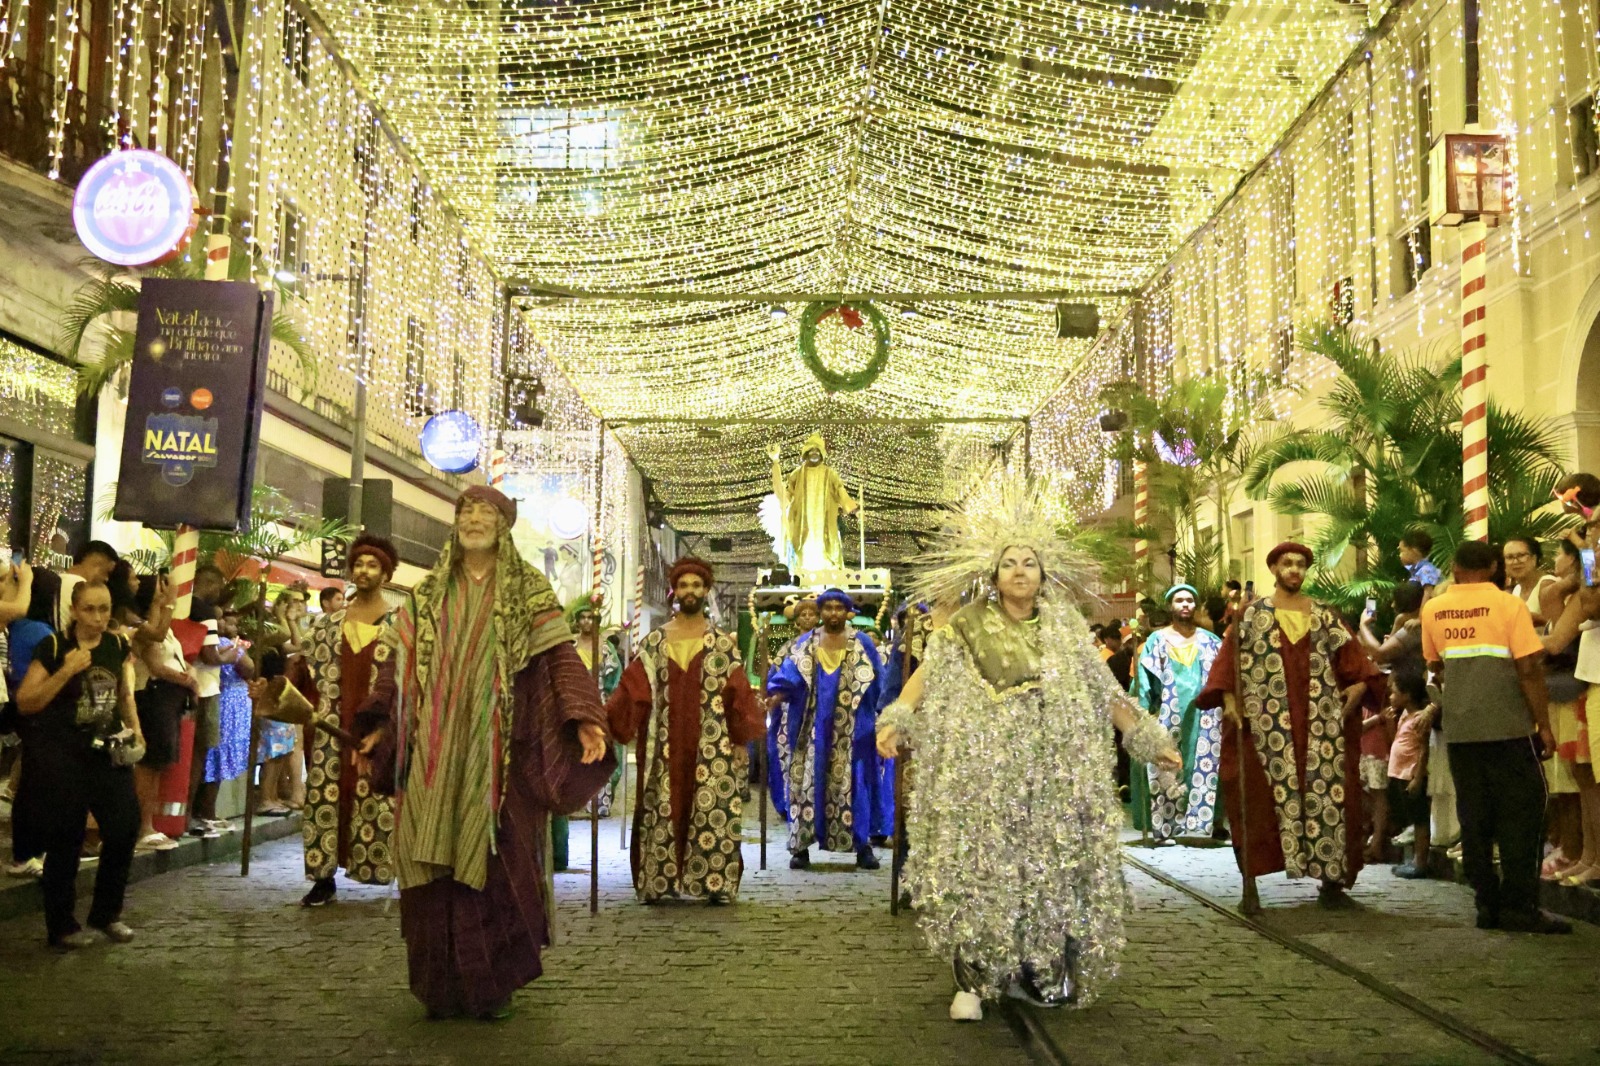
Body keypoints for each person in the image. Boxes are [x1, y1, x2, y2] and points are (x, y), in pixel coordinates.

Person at [875, 479, 1180, 1020]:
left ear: (1043, 574)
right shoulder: (965, 627)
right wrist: (898, 718)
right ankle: (974, 977)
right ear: (993, 574)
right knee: (981, 868)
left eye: (1030, 563)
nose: (1020, 571)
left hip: (1055, 773)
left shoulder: (1065, 631)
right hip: (983, 773)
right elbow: (926, 676)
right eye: (1009, 563)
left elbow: (1104, 693)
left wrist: (1148, 741)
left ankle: (1042, 967)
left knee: (1051, 871)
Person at [342, 486, 615, 1019]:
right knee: (429, 865)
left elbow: (560, 660)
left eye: (485, 511)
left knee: (500, 867)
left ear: (503, 524)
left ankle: (494, 985)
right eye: (466, 510)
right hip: (432, 756)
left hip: (502, 760)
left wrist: (584, 718)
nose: (473, 518)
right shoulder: (426, 595)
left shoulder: (529, 591)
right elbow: (394, 667)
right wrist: (377, 722)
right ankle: (437, 986)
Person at [1197, 542, 1382, 906]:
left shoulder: (1326, 616)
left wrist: (1359, 688)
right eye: (1287, 563)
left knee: (1329, 795)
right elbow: (1227, 666)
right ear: (1274, 569)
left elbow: (1357, 664)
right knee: (1257, 798)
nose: (1295, 569)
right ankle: (1250, 885)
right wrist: (1231, 700)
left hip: (1321, 727)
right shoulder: (1249, 617)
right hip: (1264, 724)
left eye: (1300, 564)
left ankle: (1331, 882)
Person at [1420, 539, 1569, 933]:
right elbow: (1529, 670)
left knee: (1476, 818)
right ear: (1492, 568)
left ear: (1454, 568)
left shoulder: (1433, 609)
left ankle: (1486, 904)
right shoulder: (1508, 605)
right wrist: (1544, 725)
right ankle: (1520, 907)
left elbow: (1435, 667)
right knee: (1522, 817)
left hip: (1462, 732)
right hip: (1509, 729)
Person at [253, 534, 401, 906]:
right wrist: (268, 691)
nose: (364, 571)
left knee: (382, 800)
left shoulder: (402, 627)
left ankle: (388, 869)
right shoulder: (325, 626)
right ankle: (322, 879)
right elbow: (298, 680)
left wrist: (389, 727)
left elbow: (411, 681)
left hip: (379, 732)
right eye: (359, 564)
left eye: (373, 565)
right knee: (324, 801)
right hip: (329, 732)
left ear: (385, 574)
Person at [604, 556, 762, 904]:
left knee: (714, 807)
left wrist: (739, 741)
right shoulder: (654, 644)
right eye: (684, 585)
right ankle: (660, 880)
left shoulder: (723, 645)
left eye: (697, 585)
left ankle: (714, 883)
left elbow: (738, 695)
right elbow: (631, 690)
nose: (690, 591)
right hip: (663, 744)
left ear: (706, 590)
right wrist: (601, 722)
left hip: (713, 743)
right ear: (675, 590)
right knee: (662, 805)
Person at [13, 582, 142, 948]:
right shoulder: (54, 647)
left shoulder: (117, 645)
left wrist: (136, 732)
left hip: (107, 753)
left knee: (123, 828)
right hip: (63, 757)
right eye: (90, 609)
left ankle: (106, 913)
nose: (98, 618)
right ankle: (61, 925)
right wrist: (66, 671)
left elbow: (124, 694)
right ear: (74, 610)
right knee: (65, 840)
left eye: (104, 609)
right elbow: (26, 702)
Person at [765, 588, 886, 870]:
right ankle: (801, 847)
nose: (833, 613)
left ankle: (862, 845)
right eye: (828, 608)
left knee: (855, 785)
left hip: (854, 730)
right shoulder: (806, 643)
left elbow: (878, 682)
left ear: (847, 612)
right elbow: (789, 677)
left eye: (838, 608)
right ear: (821, 612)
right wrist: (775, 698)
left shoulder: (862, 643)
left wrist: (883, 717)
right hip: (811, 729)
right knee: (806, 784)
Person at [1129, 584, 1224, 844]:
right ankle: (1167, 824)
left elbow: (1226, 675)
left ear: (1195, 606)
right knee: (1167, 765)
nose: (1185, 605)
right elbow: (1144, 681)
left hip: (1206, 717)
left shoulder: (1211, 641)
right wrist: (1141, 708)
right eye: (1179, 600)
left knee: (1203, 764)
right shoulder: (1156, 641)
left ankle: (1202, 823)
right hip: (1168, 714)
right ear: (1171, 606)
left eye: (1190, 600)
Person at [553, 596, 624, 866]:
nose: (586, 622)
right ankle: (575, 800)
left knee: (601, 751)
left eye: (590, 618)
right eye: (582, 617)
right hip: (572, 709)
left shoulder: (606, 649)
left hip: (599, 705)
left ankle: (599, 800)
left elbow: (614, 680)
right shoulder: (568, 647)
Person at [132, 577, 195, 852]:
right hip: (152, 695)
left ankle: (149, 823)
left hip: (168, 699)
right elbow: (156, 664)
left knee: (158, 764)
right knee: (149, 764)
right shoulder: (141, 626)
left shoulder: (162, 628)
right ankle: (143, 825)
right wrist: (186, 679)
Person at [194, 607, 254, 832]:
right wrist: (237, 650)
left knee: (217, 757)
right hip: (225, 701)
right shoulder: (220, 642)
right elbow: (248, 667)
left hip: (232, 701)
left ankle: (207, 811)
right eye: (223, 620)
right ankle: (205, 811)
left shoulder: (225, 642)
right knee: (215, 757)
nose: (230, 626)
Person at [768, 433, 859, 575]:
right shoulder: (797, 474)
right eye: (811, 451)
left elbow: (840, 491)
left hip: (824, 526)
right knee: (802, 554)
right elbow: (786, 496)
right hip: (802, 526)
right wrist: (775, 463)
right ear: (806, 453)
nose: (814, 453)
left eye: (817, 451)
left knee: (827, 554)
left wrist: (853, 508)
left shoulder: (830, 474)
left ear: (822, 453)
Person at [765, 594, 819, 821]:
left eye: (811, 614)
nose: (807, 618)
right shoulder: (788, 648)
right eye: (803, 614)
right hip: (790, 712)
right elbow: (775, 677)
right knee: (788, 758)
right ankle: (789, 802)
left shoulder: (826, 644)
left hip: (818, 710)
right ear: (796, 621)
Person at [1385, 662, 1435, 879]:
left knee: (1420, 820)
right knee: (1412, 818)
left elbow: (1424, 748)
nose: (1390, 697)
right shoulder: (1404, 715)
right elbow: (1394, 741)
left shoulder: (1419, 719)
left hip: (1412, 774)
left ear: (1407, 695)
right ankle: (1415, 859)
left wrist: (1417, 777)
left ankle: (1421, 862)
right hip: (1399, 773)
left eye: (1394, 693)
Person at [1398, 530, 1441, 601]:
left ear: (1414, 551)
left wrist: (1422, 612)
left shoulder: (1426, 570)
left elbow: (1428, 594)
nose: (1400, 555)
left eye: (1402, 551)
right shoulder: (1418, 571)